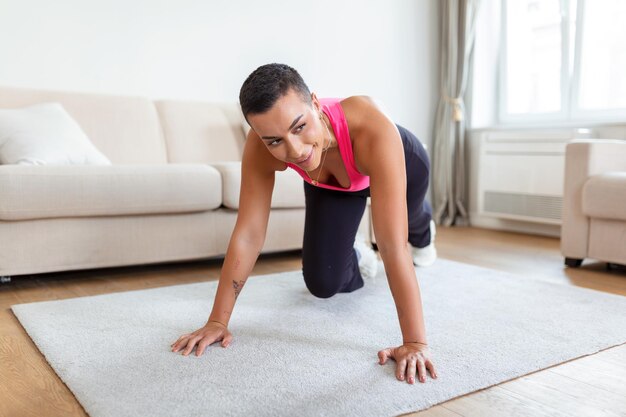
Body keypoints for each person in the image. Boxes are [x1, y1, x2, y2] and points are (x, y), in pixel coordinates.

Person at [171, 63, 438, 385]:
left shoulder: (371, 129)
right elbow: (248, 234)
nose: (294, 151)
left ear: (314, 102)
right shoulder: (262, 148)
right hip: (335, 181)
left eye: (299, 127)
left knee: (408, 227)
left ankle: (424, 228)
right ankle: (355, 253)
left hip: (402, 160)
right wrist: (217, 321)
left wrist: (415, 343)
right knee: (323, 284)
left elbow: (393, 244)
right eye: (274, 141)